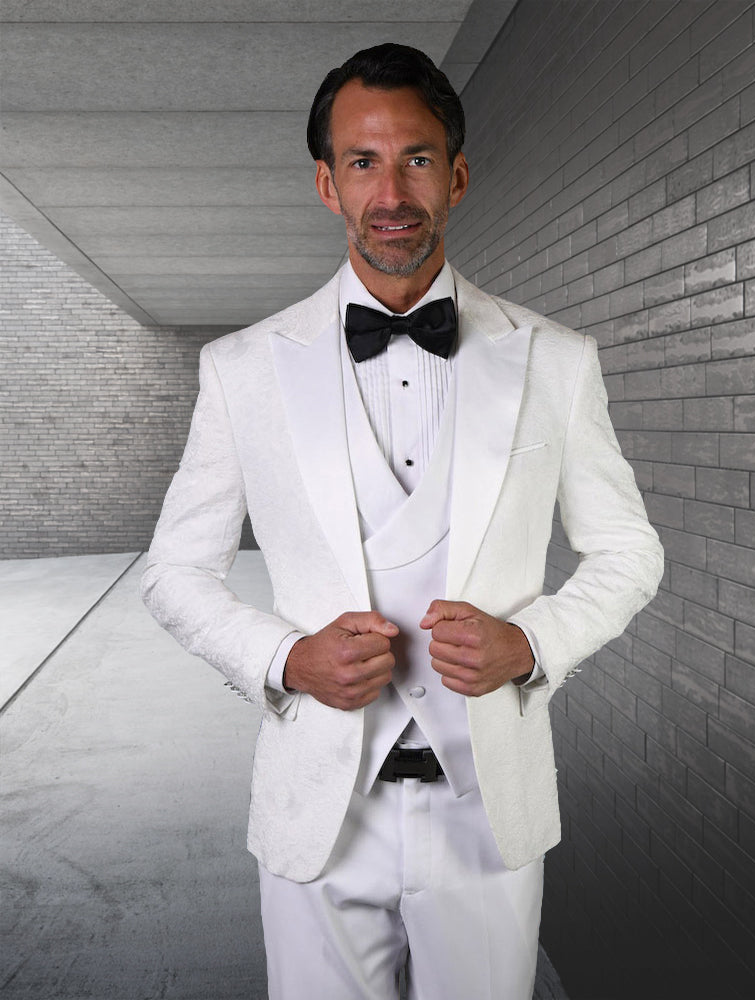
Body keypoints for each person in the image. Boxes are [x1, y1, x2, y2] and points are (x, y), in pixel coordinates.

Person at [142, 43, 663, 1000]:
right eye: (362, 162)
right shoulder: (242, 369)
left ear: (456, 176)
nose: (391, 193)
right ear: (327, 184)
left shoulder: (556, 359)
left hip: (486, 808)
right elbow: (174, 571)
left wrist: (532, 643)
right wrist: (286, 660)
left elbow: (628, 550)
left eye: (417, 159)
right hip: (319, 806)